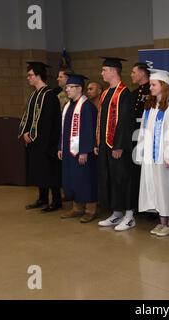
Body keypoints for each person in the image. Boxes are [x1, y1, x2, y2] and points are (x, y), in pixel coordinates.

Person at [137, 69, 169, 237]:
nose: (150, 87)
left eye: (153, 84)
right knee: (156, 189)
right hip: (151, 157)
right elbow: (144, 131)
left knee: (167, 189)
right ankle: (161, 222)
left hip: (165, 158)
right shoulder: (150, 107)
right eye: (150, 84)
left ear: (163, 86)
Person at [96, 57, 136, 231]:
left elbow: (126, 122)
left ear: (113, 71)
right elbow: (101, 120)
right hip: (105, 144)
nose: (102, 73)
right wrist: (97, 141)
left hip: (118, 146)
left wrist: (119, 145)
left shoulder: (124, 93)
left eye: (104, 70)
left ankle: (129, 215)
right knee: (110, 178)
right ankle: (116, 213)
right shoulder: (105, 93)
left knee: (123, 178)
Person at [19, 61, 62, 212]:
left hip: (48, 142)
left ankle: (56, 201)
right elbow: (28, 117)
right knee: (40, 170)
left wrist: (33, 135)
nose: (28, 78)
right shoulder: (34, 95)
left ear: (38, 76)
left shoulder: (49, 96)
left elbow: (48, 122)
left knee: (51, 171)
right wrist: (25, 133)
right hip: (36, 141)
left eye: (30, 75)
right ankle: (42, 198)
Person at [58, 74, 98, 223]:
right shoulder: (68, 106)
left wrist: (85, 150)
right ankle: (77, 208)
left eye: (70, 87)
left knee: (86, 180)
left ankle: (90, 209)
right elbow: (63, 129)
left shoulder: (87, 107)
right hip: (69, 151)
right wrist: (60, 146)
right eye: (66, 87)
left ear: (79, 88)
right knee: (73, 179)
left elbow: (90, 131)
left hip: (82, 152)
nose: (67, 90)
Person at [130, 62, 151, 212]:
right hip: (135, 134)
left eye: (134, 72)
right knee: (136, 170)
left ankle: (150, 207)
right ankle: (139, 203)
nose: (131, 75)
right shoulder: (134, 93)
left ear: (142, 73)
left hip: (147, 134)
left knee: (148, 171)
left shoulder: (152, 90)